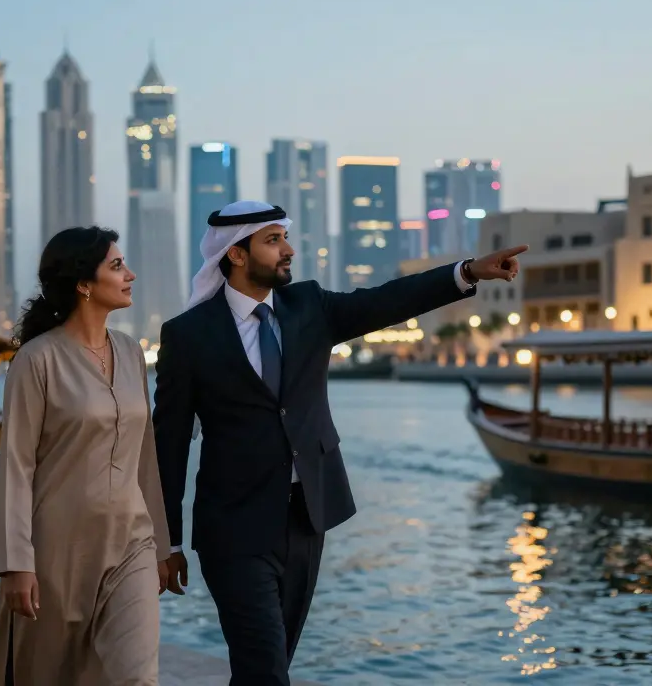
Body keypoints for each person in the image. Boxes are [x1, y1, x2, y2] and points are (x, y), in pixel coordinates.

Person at [153, 200, 526, 684]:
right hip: (234, 528)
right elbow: (171, 441)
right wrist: (168, 541)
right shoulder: (187, 336)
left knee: (269, 664)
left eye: (284, 237)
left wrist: (467, 272)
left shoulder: (310, 306)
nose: (288, 250)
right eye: (272, 240)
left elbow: (389, 300)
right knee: (265, 667)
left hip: (308, 517)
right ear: (236, 254)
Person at [0, 226, 171, 685]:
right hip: (56, 552)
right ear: (83, 284)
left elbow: (143, 456)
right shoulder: (37, 360)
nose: (129, 274)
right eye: (116, 266)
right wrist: (16, 564)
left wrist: (164, 546)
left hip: (132, 545)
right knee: (49, 676)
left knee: (137, 678)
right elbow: (16, 466)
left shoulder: (130, 353)